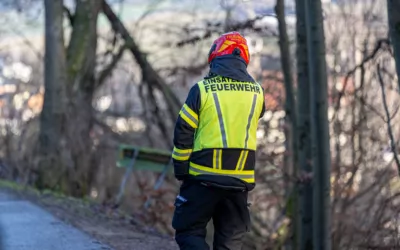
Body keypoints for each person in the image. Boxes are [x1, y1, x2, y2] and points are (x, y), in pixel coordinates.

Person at [171, 31, 265, 250]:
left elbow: (183, 131)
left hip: (202, 177)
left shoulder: (202, 91)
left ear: (215, 58)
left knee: (189, 231)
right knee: (230, 243)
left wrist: (181, 169)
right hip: (239, 183)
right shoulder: (258, 93)